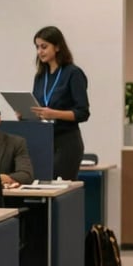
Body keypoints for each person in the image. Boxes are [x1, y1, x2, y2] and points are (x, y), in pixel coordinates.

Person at [30, 25, 90, 180]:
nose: (40, 51)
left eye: (44, 47)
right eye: (37, 47)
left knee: (59, 188)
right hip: (45, 141)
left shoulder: (73, 73)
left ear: (57, 47)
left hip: (67, 142)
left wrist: (54, 114)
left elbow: (83, 113)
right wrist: (26, 113)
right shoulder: (40, 76)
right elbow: (39, 108)